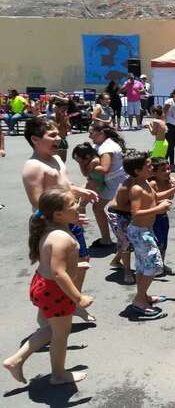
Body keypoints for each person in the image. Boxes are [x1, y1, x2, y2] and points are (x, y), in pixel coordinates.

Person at [2, 189, 94, 386]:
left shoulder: (53, 227)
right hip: (55, 291)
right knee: (61, 335)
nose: (78, 205)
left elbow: (53, 262)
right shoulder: (61, 237)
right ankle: (58, 375)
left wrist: (76, 265)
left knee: (53, 329)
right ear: (58, 214)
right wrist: (79, 298)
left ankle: (16, 361)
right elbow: (58, 273)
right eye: (73, 204)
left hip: (45, 286)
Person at [22, 117, 99, 323]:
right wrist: (65, 217)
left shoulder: (55, 158)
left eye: (58, 134)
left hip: (67, 218)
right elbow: (39, 202)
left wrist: (79, 190)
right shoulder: (33, 166)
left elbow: (63, 186)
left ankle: (73, 302)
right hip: (52, 225)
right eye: (52, 135)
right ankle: (47, 320)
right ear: (35, 140)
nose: (59, 138)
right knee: (56, 270)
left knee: (80, 262)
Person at [123, 151, 170, 319]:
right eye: (148, 165)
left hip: (146, 230)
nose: (152, 167)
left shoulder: (147, 183)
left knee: (143, 266)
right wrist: (158, 209)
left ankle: (143, 296)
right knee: (153, 266)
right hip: (140, 232)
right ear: (137, 171)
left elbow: (155, 197)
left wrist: (174, 189)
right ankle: (139, 300)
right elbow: (135, 212)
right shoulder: (136, 188)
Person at [88, 123, 128, 248]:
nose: (89, 136)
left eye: (91, 133)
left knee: (118, 211)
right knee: (98, 207)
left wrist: (87, 166)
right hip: (111, 181)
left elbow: (105, 169)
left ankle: (123, 241)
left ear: (101, 133)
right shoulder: (100, 144)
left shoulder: (107, 147)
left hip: (117, 182)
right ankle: (109, 239)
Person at [150, 157, 175, 276]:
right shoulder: (153, 184)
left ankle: (161, 264)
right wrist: (173, 190)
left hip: (163, 217)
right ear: (154, 173)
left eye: (168, 168)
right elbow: (151, 200)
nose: (168, 172)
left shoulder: (168, 182)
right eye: (163, 170)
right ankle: (154, 266)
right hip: (152, 219)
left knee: (163, 243)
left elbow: (170, 196)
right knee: (154, 243)